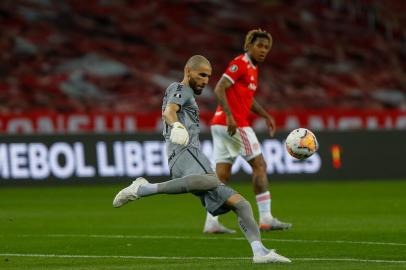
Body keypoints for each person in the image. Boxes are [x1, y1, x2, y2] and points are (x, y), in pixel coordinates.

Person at [113, 55, 291, 264]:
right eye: (202, 75)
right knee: (209, 180)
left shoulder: (187, 93)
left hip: (195, 155)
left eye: (208, 76)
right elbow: (170, 111)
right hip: (184, 152)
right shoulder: (181, 89)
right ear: (188, 71)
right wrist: (177, 126)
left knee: (241, 205)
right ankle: (142, 188)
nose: (206, 80)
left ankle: (259, 251)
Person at [203, 29, 292, 234]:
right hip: (234, 124)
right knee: (259, 164)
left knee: (222, 175)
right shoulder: (241, 63)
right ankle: (267, 218)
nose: (263, 50)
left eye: (266, 47)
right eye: (259, 46)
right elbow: (219, 87)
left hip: (221, 125)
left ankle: (211, 221)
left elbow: (247, 99)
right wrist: (230, 115)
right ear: (248, 45)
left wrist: (265, 115)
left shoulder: (252, 68)